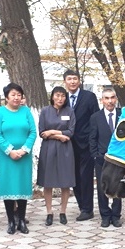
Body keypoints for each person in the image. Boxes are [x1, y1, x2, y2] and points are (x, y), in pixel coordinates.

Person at [0, 83, 36, 234]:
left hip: (24, 156)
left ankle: (22, 221)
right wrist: (10, 150)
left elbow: (33, 132)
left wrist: (24, 150)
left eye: (19, 95)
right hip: (6, 157)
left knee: (22, 186)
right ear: (6, 97)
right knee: (9, 186)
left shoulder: (26, 111)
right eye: (13, 95)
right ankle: (11, 221)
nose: (16, 97)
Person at [37, 86, 75, 226]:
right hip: (48, 149)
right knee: (48, 182)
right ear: (52, 96)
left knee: (65, 181)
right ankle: (49, 212)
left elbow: (71, 132)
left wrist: (52, 133)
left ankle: (63, 211)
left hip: (65, 150)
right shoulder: (45, 111)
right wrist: (60, 134)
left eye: (63, 96)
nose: (60, 98)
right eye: (57, 95)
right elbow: (42, 132)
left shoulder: (69, 111)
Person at [64, 70, 99, 221]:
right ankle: (81, 206)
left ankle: (87, 209)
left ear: (79, 81)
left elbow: (95, 118)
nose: (72, 81)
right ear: (64, 81)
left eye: (75, 79)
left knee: (86, 177)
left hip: (86, 145)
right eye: (69, 79)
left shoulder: (89, 97)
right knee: (74, 177)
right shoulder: (62, 98)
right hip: (67, 145)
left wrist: (93, 141)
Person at [90, 86, 122, 228]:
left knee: (118, 186)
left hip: (119, 159)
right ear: (102, 100)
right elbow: (92, 138)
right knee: (103, 189)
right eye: (107, 98)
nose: (110, 101)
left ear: (116, 99)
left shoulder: (123, 115)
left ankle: (116, 216)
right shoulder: (95, 117)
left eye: (112, 97)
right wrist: (96, 155)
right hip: (101, 159)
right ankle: (105, 215)